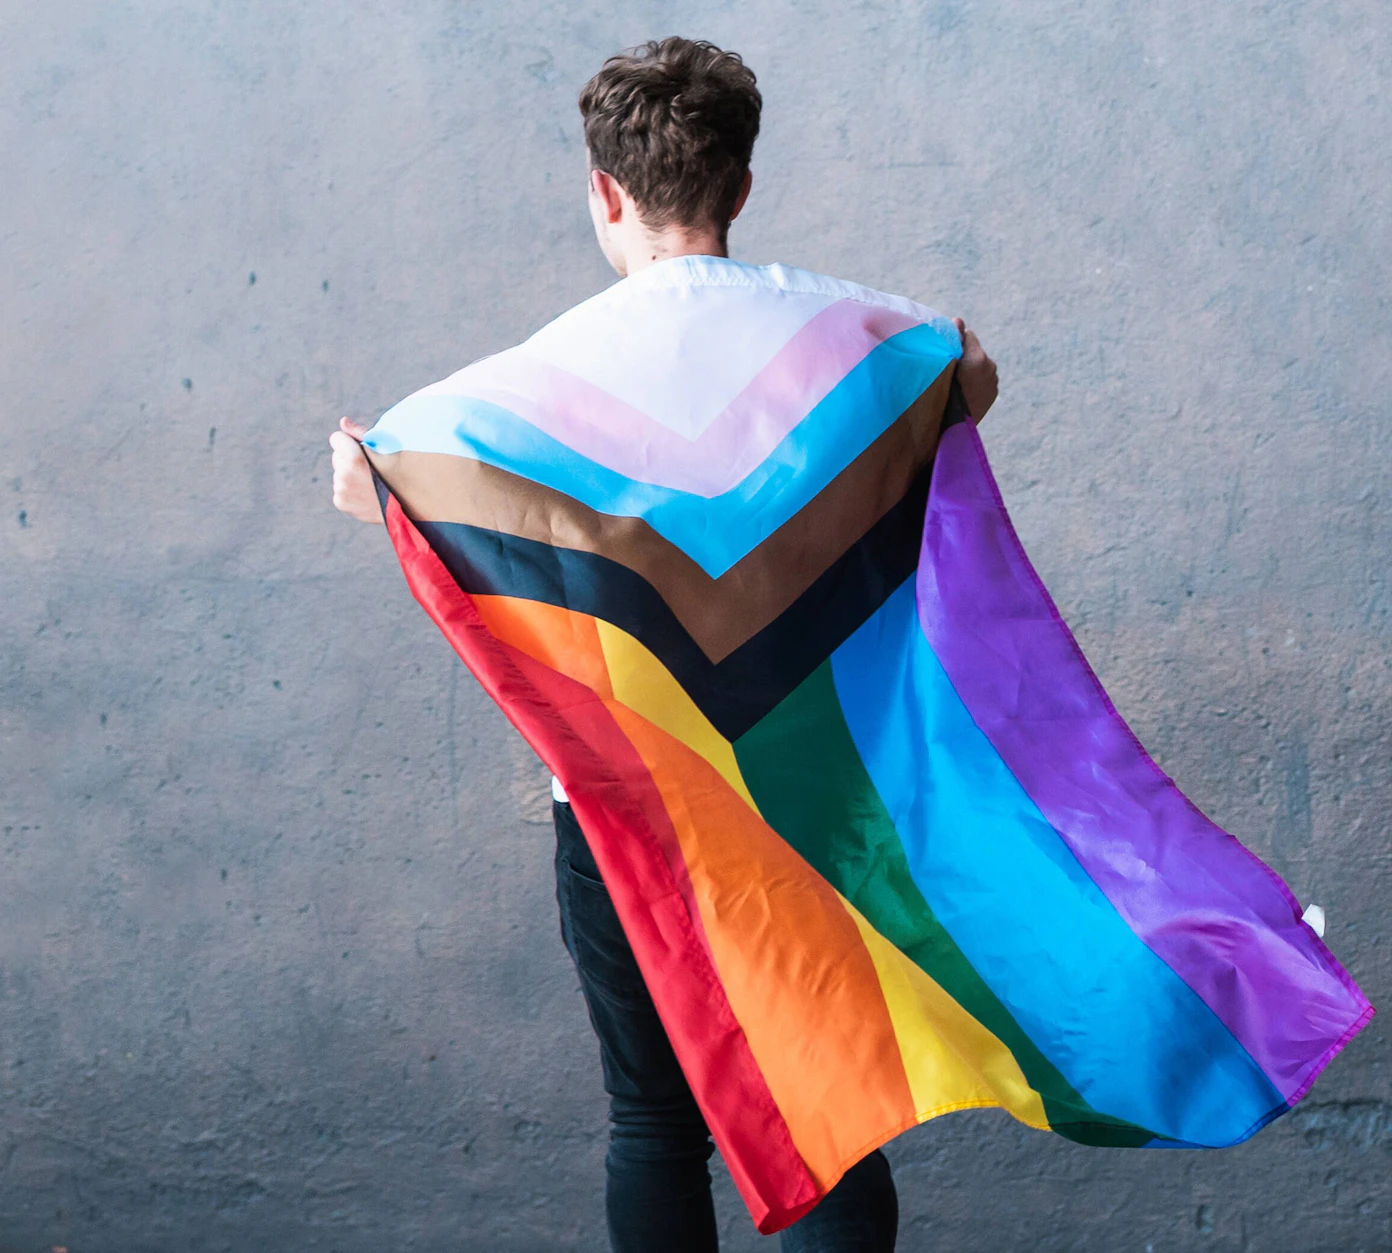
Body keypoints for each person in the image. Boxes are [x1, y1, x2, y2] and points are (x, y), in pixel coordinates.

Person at [328, 36, 1000, 1253]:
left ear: (603, 191)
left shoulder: (523, 386)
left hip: (627, 803)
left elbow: (391, 479)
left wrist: (367, 475)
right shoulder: (865, 336)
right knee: (829, 1105)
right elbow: (970, 377)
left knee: (652, 1119)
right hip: (813, 791)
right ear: (741, 186)